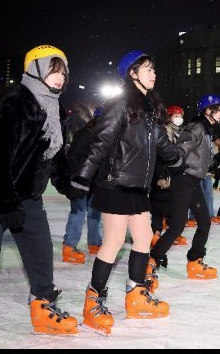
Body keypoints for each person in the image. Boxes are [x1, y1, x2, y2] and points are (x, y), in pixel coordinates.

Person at [0, 45, 80, 349]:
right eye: (52, 69)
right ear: (35, 69)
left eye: (62, 71)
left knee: (40, 252)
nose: (59, 77)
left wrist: (67, 183)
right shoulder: (15, 103)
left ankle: (43, 307)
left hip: (29, 196)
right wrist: (5, 202)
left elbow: (56, 152)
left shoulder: (55, 107)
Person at [71, 50, 183, 335]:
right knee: (114, 240)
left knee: (144, 237)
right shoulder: (119, 103)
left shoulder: (150, 108)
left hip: (138, 186)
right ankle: (93, 299)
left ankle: (135, 295)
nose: (153, 73)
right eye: (147, 69)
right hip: (115, 183)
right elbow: (102, 141)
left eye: (153, 69)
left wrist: (178, 159)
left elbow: (160, 142)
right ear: (132, 73)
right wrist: (83, 177)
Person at [148, 94, 220, 282]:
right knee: (176, 227)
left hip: (193, 180)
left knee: (204, 223)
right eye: (219, 109)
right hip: (184, 179)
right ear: (208, 111)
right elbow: (179, 150)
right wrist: (177, 167)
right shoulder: (197, 127)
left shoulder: (206, 129)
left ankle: (195, 261)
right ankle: (151, 261)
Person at [61, 108, 104, 264]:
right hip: (81, 182)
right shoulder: (85, 134)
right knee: (78, 213)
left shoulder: (104, 136)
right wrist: (80, 177)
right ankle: (69, 247)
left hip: (96, 182)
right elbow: (72, 157)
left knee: (95, 214)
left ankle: (94, 243)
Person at [149, 105, 188, 250]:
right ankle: (156, 232)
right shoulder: (163, 131)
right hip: (162, 173)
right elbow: (159, 155)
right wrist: (160, 175)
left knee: (174, 205)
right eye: (176, 116)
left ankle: (173, 232)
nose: (179, 118)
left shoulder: (181, 133)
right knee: (159, 204)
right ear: (169, 116)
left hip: (176, 174)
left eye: (180, 115)